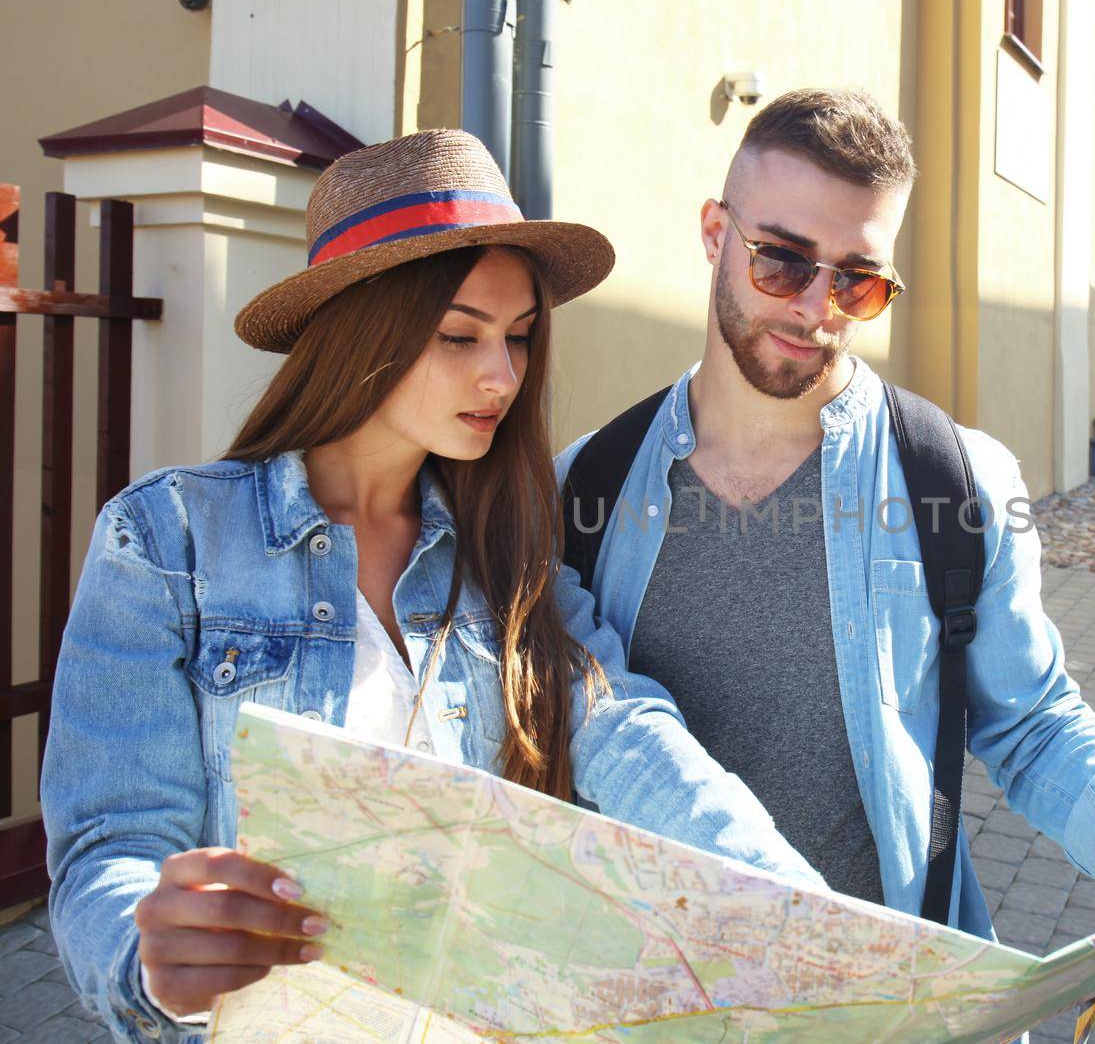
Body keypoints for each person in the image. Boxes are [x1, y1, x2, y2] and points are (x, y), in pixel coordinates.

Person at [41, 130, 819, 1044]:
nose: (503, 375)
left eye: (519, 337)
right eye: (460, 334)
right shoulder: (168, 540)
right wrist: (153, 957)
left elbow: (626, 730)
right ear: (361, 328)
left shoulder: (507, 553)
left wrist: (800, 911)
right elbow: (111, 848)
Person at [558, 89, 1095, 942]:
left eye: (859, 281)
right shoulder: (589, 484)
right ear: (716, 234)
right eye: (783, 262)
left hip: (889, 991)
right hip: (655, 986)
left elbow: (1031, 722)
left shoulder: (959, 479)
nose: (816, 307)